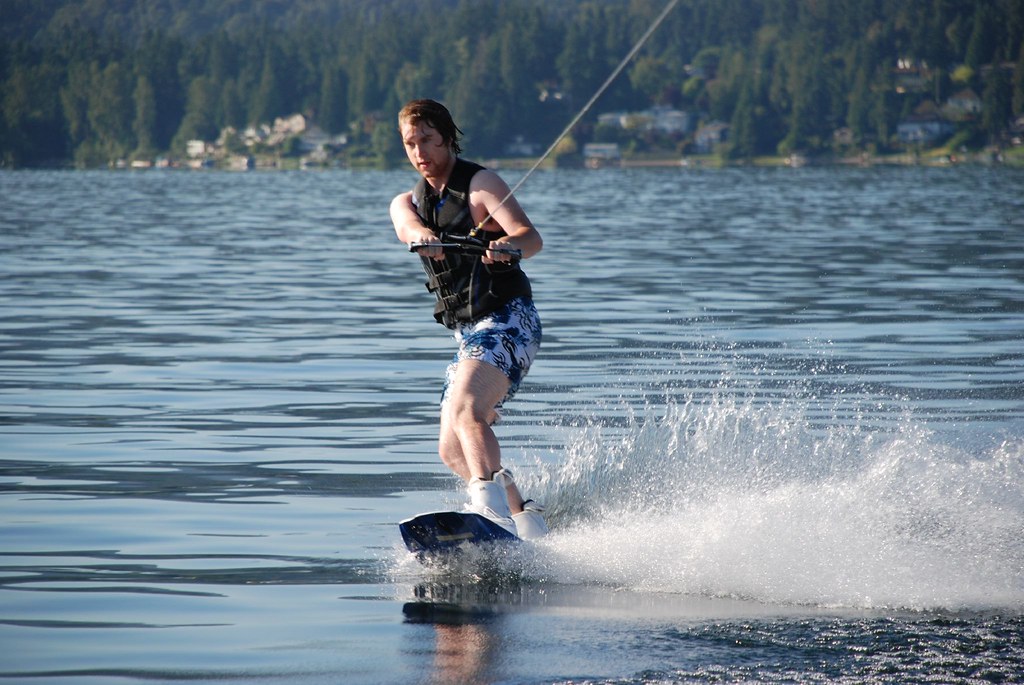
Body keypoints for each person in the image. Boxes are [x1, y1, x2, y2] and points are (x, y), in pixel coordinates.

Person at [389, 99, 547, 539]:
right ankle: (525, 516)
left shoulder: (481, 185)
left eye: (427, 140)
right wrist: (425, 237)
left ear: (447, 139)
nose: (419, 152)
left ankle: (488, 510)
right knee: (450, 449)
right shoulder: (408, 202)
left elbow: (530, 236)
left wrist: (508, 246)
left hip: (509, 321)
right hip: (469, 336)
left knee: (467, 411)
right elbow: (406, 227)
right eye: (410, 143)